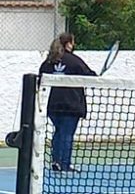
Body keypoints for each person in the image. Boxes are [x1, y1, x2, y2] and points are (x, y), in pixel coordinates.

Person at [38, 32, 96, 172]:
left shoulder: (49, 61)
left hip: (53, 105)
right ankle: (65, 164)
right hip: (71, 105)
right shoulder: (74, 61)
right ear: (69, 43)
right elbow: (89, 76)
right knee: (67, 134)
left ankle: (56, 161)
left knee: (59, 132)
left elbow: (40, 78)